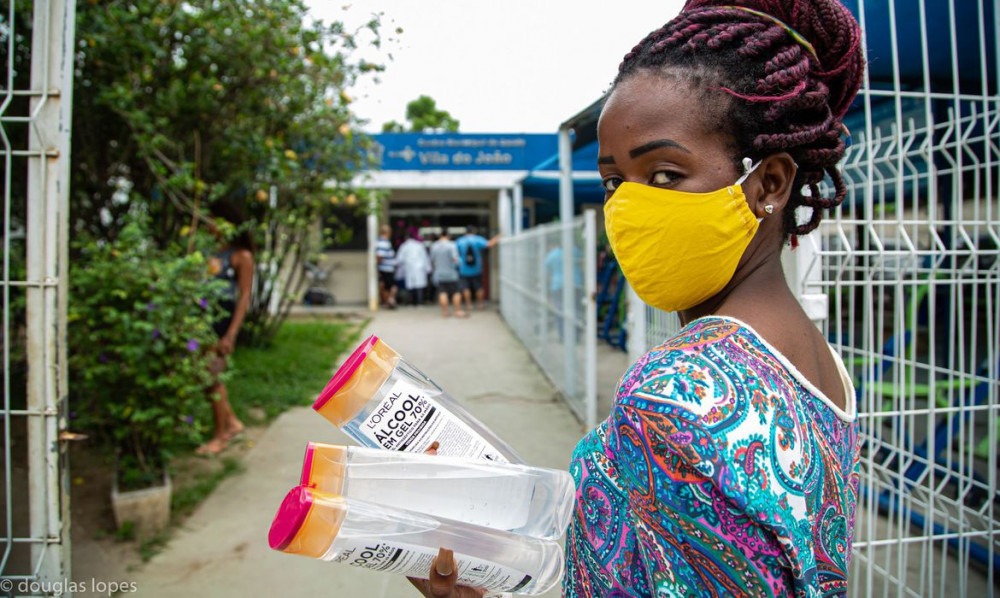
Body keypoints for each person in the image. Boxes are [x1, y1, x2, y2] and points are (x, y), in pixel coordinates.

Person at [413, 0, 864, 595]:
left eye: (665, 175)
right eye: (613, 182)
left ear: (768, 184)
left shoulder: (677, 391)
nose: (626, 208)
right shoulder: (817, 363)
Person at [196, 199, 254, 456]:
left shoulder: (241, 257)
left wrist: (231, 334)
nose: (209, 226)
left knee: (213, 377)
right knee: (207, 379)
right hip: (202, 325)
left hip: (222, 326)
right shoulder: (209, 254)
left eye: (214, 221)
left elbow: (244, 297)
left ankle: (221, 436)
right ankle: (231, 423)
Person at [454, 226, 500, 312]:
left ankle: (469, 305)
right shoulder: (478, 239)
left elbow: (455, 254)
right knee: (479, 287)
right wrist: (499, 236)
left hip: (463, 269)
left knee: (465, 288)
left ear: (465, 232)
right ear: (474, 231)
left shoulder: (460, 241)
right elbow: (489, 244)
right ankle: (480, 304)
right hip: (477, 268)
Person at [429, 230, 466, 318]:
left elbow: (432, 260)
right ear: (448, 236)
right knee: (456, 292)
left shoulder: (434, 246)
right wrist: (460, 263)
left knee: (442, 292)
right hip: (451, 273)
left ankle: (445, 312)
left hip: (439, 273)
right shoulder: (452, 245)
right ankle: (457, 311)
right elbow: (455, 259)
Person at [395, 227, 431, 306]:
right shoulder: (419, 245)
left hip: (409, 268)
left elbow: (399, 259)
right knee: (419, 286)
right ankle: (419, 302)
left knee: (410, 286)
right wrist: (428, 268)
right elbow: (425, 257)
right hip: (419, 269)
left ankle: (411, 302)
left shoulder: (404, 246)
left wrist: (396, 265)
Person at [375, 224, 398, 309]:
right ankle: (389, 300)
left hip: (386, 268)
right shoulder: (383, 242)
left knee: (385, 286)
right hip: (386, 269)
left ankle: (388, 301)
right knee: (391, 286)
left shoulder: (380, 241)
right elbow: (379, 256)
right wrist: (377, 266)